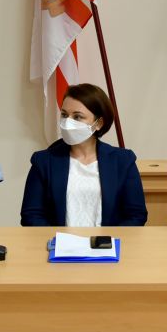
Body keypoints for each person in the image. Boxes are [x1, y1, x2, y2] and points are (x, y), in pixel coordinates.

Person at [20, 83, 147, 227]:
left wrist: (108, 239)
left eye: (77, 117)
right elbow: (31, 216)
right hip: (58, 241)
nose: (68, 122)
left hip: (107, 241)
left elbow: (136, 215)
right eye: (64, 115)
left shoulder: (123, 161)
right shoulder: (43, 161)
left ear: (99, 123)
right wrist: (58, 239)